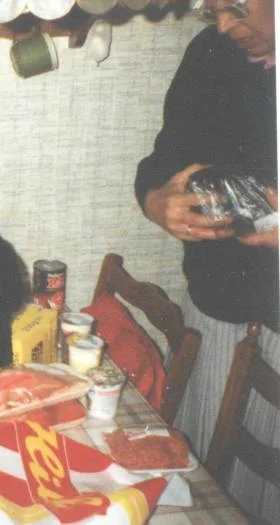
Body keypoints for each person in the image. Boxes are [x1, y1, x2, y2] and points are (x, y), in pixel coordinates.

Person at [135, 0, 278, 521]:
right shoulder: (212, 52)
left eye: (236, 8)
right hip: (218, 311)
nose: (222, 26)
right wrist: (156, 202)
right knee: (207, 496)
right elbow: (164, 159)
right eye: (212, 10)